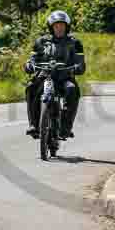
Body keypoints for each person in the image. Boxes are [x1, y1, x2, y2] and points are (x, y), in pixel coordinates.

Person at [23, 10, 85, 140]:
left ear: (67, 27)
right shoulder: (41, 41)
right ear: (51, 27)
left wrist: (77, 67)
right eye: (56, 26)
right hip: (44, 75)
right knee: (30, 87)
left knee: (72, 89)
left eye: (62, 25)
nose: (59, 28)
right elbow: (32, 59)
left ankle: (65, 128)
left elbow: (80, 63)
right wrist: (29, 65)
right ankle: (34, 125)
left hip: (65, 77)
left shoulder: (75, 43)